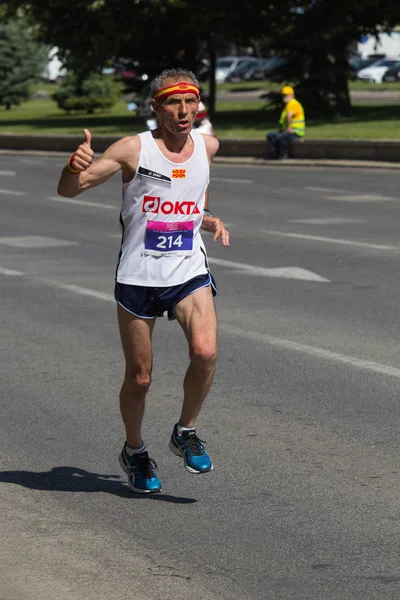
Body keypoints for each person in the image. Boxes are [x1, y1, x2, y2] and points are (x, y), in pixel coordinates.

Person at [57, 68, 229, 494]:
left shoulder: (207, 146)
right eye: (174, 102)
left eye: (190, 102)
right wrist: (70, 166)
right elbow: (70, 189)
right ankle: (134, 450)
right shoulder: (133, 149)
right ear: (157, 108)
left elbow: (192, 193)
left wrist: (204, 219)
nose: (184, 110)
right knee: (140, 376)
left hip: (187, 270)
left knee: (205, 353)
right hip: (138, 275)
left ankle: (185, 431)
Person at [266, 85, 305, 159]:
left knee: (280, 138)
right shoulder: (287, 105)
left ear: (292, 95)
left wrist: (288, 128)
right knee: (270, 135)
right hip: (287, 131)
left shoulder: (293, 104)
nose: (285, 96)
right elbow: (283, 120)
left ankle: (283, 154)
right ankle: (274, 154)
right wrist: (280, 129)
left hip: (296, 132)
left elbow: (288, 116)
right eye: (283, 95)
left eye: (287, 95)